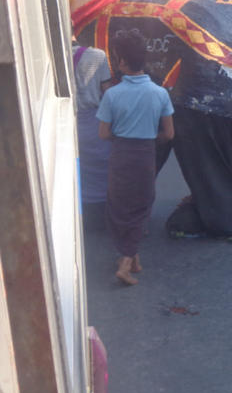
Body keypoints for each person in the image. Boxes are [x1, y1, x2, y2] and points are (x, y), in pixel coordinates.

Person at [97, 29, 175, 285]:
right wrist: (150, 138)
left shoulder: (112, 95)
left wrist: (123, 136)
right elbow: (169, 133)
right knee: (141, 204)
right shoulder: (160, 94)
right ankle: (129, 260)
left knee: (119, 205)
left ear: (121, 62)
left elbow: (104, 133)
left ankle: (127, 257)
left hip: (120, 154)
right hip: (145, 155)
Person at [72, 36, 113, 229]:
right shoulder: (98, 55)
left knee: (80, 171)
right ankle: (102, 216)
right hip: (94, 120)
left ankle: (82, 216)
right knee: (101, 170)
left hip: (70, 121)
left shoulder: (51, 58)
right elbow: (107, 91)